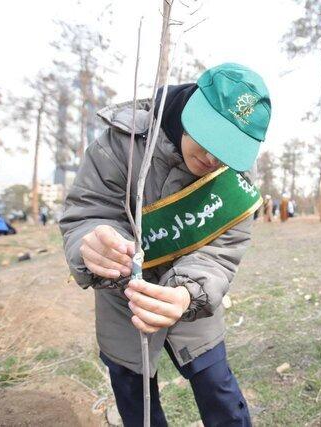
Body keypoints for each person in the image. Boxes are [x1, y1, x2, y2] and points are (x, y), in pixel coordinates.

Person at [60, 63, 271, 426]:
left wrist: (188, 293)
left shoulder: (235, 181)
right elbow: (87, 212)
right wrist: (91, 244)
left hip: (192, 302)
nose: (213, 159)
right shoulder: (120, 143)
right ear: (192, 108)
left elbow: (223, 250)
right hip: (122, 300)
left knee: (218, 387)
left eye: (228, 149)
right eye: (210, 139)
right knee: (134, 398)